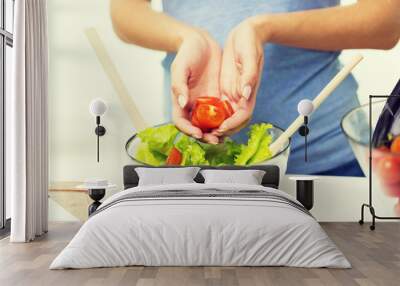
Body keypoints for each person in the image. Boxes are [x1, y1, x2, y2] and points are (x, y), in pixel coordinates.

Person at [110, 0, 400, 176]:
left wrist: (265, 28)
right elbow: (125, 12)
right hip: (193, 160)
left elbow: (386, 21)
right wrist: (186, 37)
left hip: (325, 156)